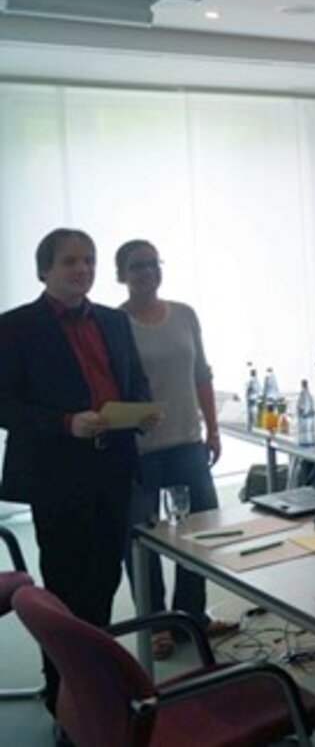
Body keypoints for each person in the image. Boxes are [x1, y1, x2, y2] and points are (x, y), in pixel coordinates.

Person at [0, 228, 156, 717]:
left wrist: (142, 411)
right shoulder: (15, 326)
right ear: (44, 269)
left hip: (115, 466)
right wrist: (66, 422)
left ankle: (99, 688)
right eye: (70, 261)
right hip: (58, 474)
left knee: (105, 581)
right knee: (66, 591)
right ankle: (64, 698)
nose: (82, 269)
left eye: (88, 260)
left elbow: (135, 381)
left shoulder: (114, 320)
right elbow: (5, 404)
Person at [115, 240, 234, 659]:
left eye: (153, 264)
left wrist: (213, 430)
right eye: (137, 266)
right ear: (121, 275)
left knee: (200, 533)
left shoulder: (184, 314)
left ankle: (191, 617)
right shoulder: (114, 323)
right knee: (143, 540)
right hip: (140, 450)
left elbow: (201, 374)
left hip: (187, 442)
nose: (147, 272)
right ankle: (156, 625)